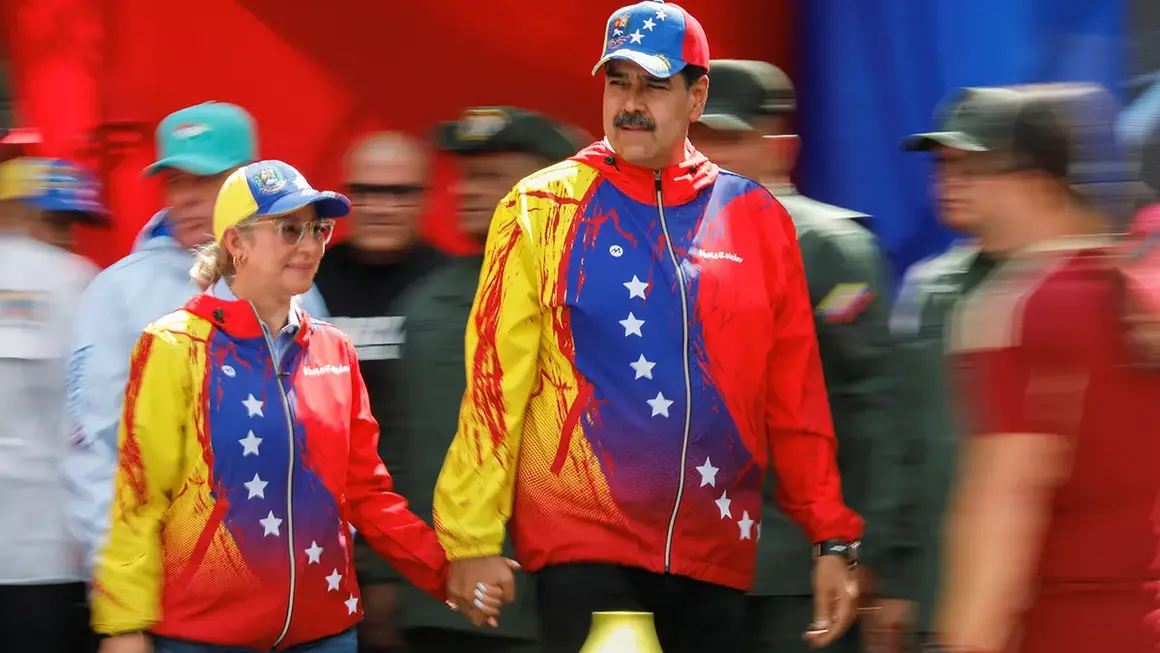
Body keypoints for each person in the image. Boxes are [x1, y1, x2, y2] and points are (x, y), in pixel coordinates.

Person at [432, 3, 864, 652]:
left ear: (698, 96)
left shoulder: (757, 217)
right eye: (618, 81)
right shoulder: (541, 205)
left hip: (717, 553)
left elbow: (795, 395)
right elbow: (495, 383)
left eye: (654, 85)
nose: (630, 102)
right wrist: (470, 537)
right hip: (586, 546)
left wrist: (832, 536)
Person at [91, 160, 504, 653]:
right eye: (288, 229)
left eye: (319, 229)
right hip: (203, 639)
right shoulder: (176, 345)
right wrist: (123, 627)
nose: (309, 246)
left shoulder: (334, 349)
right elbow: (139, 500)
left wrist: (447, 571)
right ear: (236, 244)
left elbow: (367, 495)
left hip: (326, 634)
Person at [909, 84, 1160, 653]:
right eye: (944, 164)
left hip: (1063, 630)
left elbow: (1004, 502)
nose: (950, 180)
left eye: (975, 166)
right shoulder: (1135, 292)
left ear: (1037, 181)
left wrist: (968, 641)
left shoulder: (1021, 306)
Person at [63, 102, 328, 575]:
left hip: (292, 581)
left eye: (206, 181)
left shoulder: (297, 281)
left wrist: (327, 550)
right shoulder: (117, 293)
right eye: (176, 181)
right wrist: (126, 586)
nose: (184, 197)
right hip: (174, 592)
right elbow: (94, 453)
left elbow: (329, 432)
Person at [688, 59, 894, 653]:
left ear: (779, 147)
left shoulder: (825, 245)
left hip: (790, 568)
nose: (708, 154)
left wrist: (859, 551)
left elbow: (870, 408)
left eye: (730, 137)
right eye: (698, 135)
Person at [393, 106, 580, 653]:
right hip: (440, 600)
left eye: (492, 178)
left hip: (556, 601)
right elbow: (403, 446)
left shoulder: (594, 291)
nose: (467, 192)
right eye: (466, 177)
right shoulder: (429, 297)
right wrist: (387, 580)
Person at [310, 131, 446, 653]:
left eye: (400, 192)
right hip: (314, 540)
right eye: (365, 191)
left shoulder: (449, 285)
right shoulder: (306, 281)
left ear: (424, 197)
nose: (382, 206)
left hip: (418, 537)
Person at [0, 157, 107, 653]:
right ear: (12, 212)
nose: (62, 238)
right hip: (56, 550)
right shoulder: (81, 282)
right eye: (54, 222)